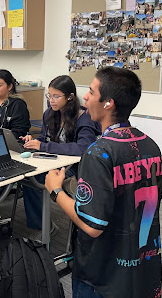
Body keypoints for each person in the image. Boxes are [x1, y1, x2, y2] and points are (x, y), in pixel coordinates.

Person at [45, 67, 162, 298]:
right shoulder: (151, 145)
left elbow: (92, 225)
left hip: (102, 275)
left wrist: (56, 191)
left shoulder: (98, 153)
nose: (85, 97)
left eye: (90, 91)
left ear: (108, 103)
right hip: (142, 264)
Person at [21, 75, 101, 233]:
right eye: (50, 96)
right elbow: (44, 139)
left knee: (35, 178)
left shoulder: (84, 118)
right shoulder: (50, 113)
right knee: (27, 175)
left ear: (70, 97)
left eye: (56, 96)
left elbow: (83, 148)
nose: (52, 100)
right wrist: (34, 141)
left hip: (75, 167)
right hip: (52, 161)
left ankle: (43, 227)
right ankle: (40, 224)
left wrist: (44, 146)